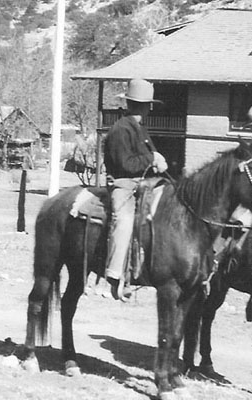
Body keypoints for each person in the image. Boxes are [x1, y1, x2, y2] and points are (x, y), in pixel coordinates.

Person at [103, 78, 168, 301]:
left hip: (143, 185)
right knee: (124, 222)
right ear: (142, 105)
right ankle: (115, 274)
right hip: (123, 185)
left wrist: (156, 162)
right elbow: (126, 164)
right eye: (148, 104)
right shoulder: (121, 129)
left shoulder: (139, 129)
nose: (149, 108)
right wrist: (152, 158)